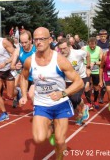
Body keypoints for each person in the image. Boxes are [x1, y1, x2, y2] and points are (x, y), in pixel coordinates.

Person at [19, 27, 83, 160]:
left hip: (60, 104)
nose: (38, 42)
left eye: (42, 39)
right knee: (38, 138)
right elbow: (23, 77)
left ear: (50, 40)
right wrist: (24, 95)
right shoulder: (30, 61)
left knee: (60, 142)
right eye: (36, 39)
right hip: (42, 104)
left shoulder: (59, 60)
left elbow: (79, 82)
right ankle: (51, 128)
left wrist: (63, 93)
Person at [57, 38, 90, 126]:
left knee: (75, 98)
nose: (63, 51)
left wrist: (88, 67)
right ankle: (79, 115)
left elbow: (88, 54)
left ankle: (84, 107)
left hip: (80, 79)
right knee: (70, 101)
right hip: (67, 81)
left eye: (64, 48)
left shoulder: (78, 53)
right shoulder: (59, 57)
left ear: (69, 47)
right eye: (61, 49)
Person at [11, 30, 36, 102]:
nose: (24, 45)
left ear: (30, 40)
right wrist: (16, 66)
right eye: (22, 43)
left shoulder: (36, 49)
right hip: (25, 78)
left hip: (37, 77)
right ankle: (19, 92)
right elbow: (11, 66)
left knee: (32, 95)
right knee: (11, 94)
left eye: (26, 42)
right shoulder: (18, 50)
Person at [83, 37, 103, 109]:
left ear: (96, 44)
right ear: (88, 44)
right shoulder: (84, 48)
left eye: (93, 45)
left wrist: (94, 63)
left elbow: (102, 62)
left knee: (96, 87)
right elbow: (80, 59)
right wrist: (86, 66)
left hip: (96, 70)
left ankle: (95, 101)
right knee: (86, 87)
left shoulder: (99, 49)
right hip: (86, 70)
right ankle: (89, 102)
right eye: (90, 45)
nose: (92, 47)